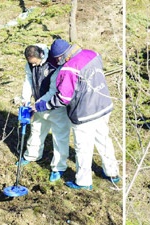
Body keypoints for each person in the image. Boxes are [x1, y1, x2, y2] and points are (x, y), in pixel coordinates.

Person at [34, 39, 120, 190]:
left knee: (83, 148)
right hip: (103, 105)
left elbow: (63, 98)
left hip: (84, 113)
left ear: (61, 57)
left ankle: (83, 181)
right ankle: (112, 172)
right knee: (103, 140)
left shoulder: (68, 69)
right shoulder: (92, 54)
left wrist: (44, 105)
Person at [19, 44, 71, 182]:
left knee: (60, 137)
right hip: (38, 105)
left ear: (41, 55)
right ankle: (32, 155)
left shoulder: (55, 63)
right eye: (32, 64)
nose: (34, 66)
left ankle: (58, 167)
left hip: (55, 106)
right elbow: (28, 80)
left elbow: (54, 90)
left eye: (35, 63)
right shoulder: (30, 64)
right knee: (36, 130)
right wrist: (25, 99)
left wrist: (39, 104)